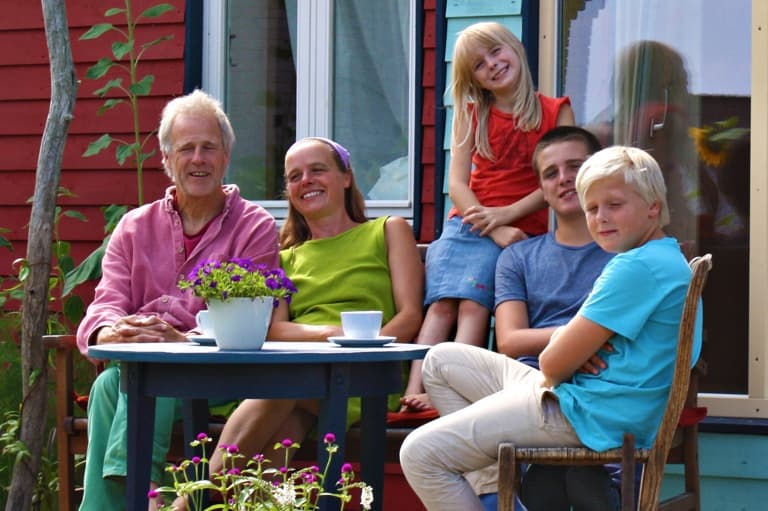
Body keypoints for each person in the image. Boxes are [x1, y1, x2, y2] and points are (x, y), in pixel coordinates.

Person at [399, 145, 703, 511]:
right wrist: (577, 345)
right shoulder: (665, 257)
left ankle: (499, 498)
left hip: (589, 414)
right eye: (592, 208)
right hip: (590, 398)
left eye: (615, 205)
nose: (601, 218)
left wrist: (571, 352)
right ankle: (497, 496)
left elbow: (552, 366)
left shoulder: (635, 267)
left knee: (420, 454)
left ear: (653, 206)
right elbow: (563, 359)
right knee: (441, 361)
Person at [76, 89, 280, 510]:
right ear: (167, 160)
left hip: (220, 375)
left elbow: (250, 318)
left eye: (209, 148)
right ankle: (144, 498)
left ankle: (138, 495)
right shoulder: (134, 227)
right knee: (110, 384)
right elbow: (105, 302)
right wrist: (112, 330)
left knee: (143, 376)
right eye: (186, 149)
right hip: (142, 371)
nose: (198, 159)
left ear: (225, 157)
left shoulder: (254, 225)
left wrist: (180, 341)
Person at [202, 136, 424, 478]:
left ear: (346, 177)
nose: (306, 180)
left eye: (317, 170)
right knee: (285, 420)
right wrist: (335, 335)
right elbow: (274, 328)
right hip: (302, 373)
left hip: (367, 373)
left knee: (282, 392)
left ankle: (191, 501)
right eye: (294, 176)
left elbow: (410, 315)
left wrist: (363, 349)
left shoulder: (387, 231)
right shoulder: (284, 255)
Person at [400, 21, 575, 411]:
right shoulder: (473, 113)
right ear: (474, 80)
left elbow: (560, 180)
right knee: (442, 305)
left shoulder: (554, 111)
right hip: (468, 224)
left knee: (474, 304)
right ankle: (416, 388)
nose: (492, 64)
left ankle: (446, 388)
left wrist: (506, 218)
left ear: (516, 47)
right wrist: (491, 226)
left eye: (496, 51)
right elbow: (458, 184)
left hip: (517, 228)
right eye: (480, 65)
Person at [478, 126, 616, 510]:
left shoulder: (626, 254)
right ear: (540, 188)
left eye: (576, 166)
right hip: (535, 388)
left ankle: (572, 482)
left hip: (602, 382)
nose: (564, 179)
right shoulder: (517, 258)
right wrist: (581, 340)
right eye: (551, 173)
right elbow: (510, 340)